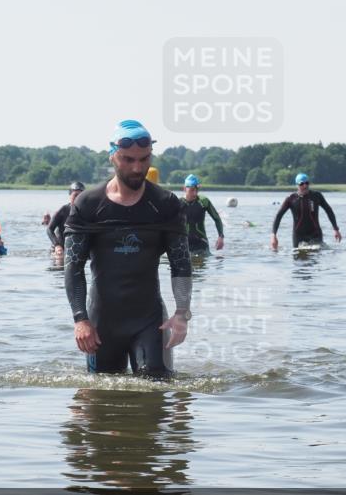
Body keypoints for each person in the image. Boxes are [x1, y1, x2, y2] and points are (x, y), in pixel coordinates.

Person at [64, 119, 192, 378]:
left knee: (156, 390)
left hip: (150, 321)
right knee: (100, 403)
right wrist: (80, 319)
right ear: (112, 156)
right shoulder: (88, 205)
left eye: (144, 159)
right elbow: (73, 267)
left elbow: (181, 263)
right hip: (101, 323)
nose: (137, 167)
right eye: (128, 159)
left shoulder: (165, 204)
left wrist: (181, 312)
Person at [271, 173, 341, 249]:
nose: (305, 186)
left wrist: (336, 229)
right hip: (298, 236)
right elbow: (279, 216)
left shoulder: (316, 196)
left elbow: (329, 210)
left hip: (315, 234)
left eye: (307, 183)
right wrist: (273, 235)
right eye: (301, 184)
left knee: (316, 255)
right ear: (297, 185)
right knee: (298, 258)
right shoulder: (291, 199)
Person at [181, 174, 224, 254]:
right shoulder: (178, 203)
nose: (194, 193)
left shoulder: (204, 201)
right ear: (184, 189)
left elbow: (217, 218)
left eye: (196, 190)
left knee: (203, 265)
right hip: (184, 244)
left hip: (202, 243)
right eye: (192, 190)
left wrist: (220, 237)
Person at [48, 181, 85, 257]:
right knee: (59, 264)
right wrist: (57, 246)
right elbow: (49, 229)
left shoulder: (88, 211)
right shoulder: (63, 210)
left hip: (76, 248)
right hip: (60, 250)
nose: (78, 199)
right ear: (70, 195)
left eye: (80, 196)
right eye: (75, 195)